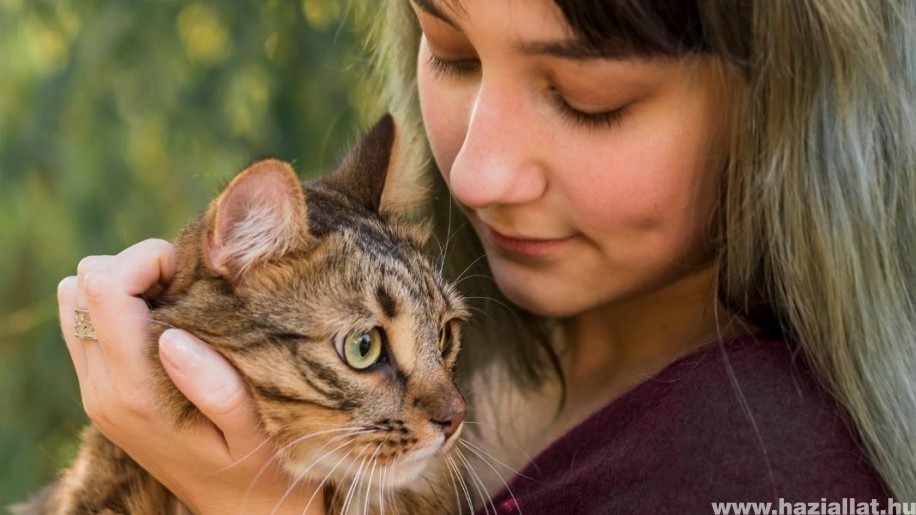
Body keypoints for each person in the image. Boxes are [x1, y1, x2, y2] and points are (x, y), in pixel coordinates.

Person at [56, 0, 915, 513]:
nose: (473, 172)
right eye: (451, 52)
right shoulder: (472, 342)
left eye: (590, 100)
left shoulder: (784, 468)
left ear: (788, 99)